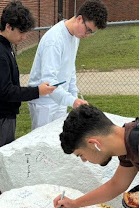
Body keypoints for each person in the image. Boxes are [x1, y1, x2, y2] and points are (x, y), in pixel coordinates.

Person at [0, 0, 56, 198]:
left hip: (3, 110)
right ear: (8, 26)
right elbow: (6, 91)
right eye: (21, 32)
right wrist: (37, 91)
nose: (23, 37)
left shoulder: (5, 44)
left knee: (1, 152)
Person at [27, 0, 107, 130]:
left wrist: (73, 97)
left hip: (61, 98)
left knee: (58, 141)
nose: (87, 35)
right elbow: (48, 81)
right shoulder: (54, 40)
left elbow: (70, 68)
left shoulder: (75, 36)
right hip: (44, 103)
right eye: (88, 30)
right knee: (41, 142)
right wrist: (72, 101)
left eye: (91, 33)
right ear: (79, 19)